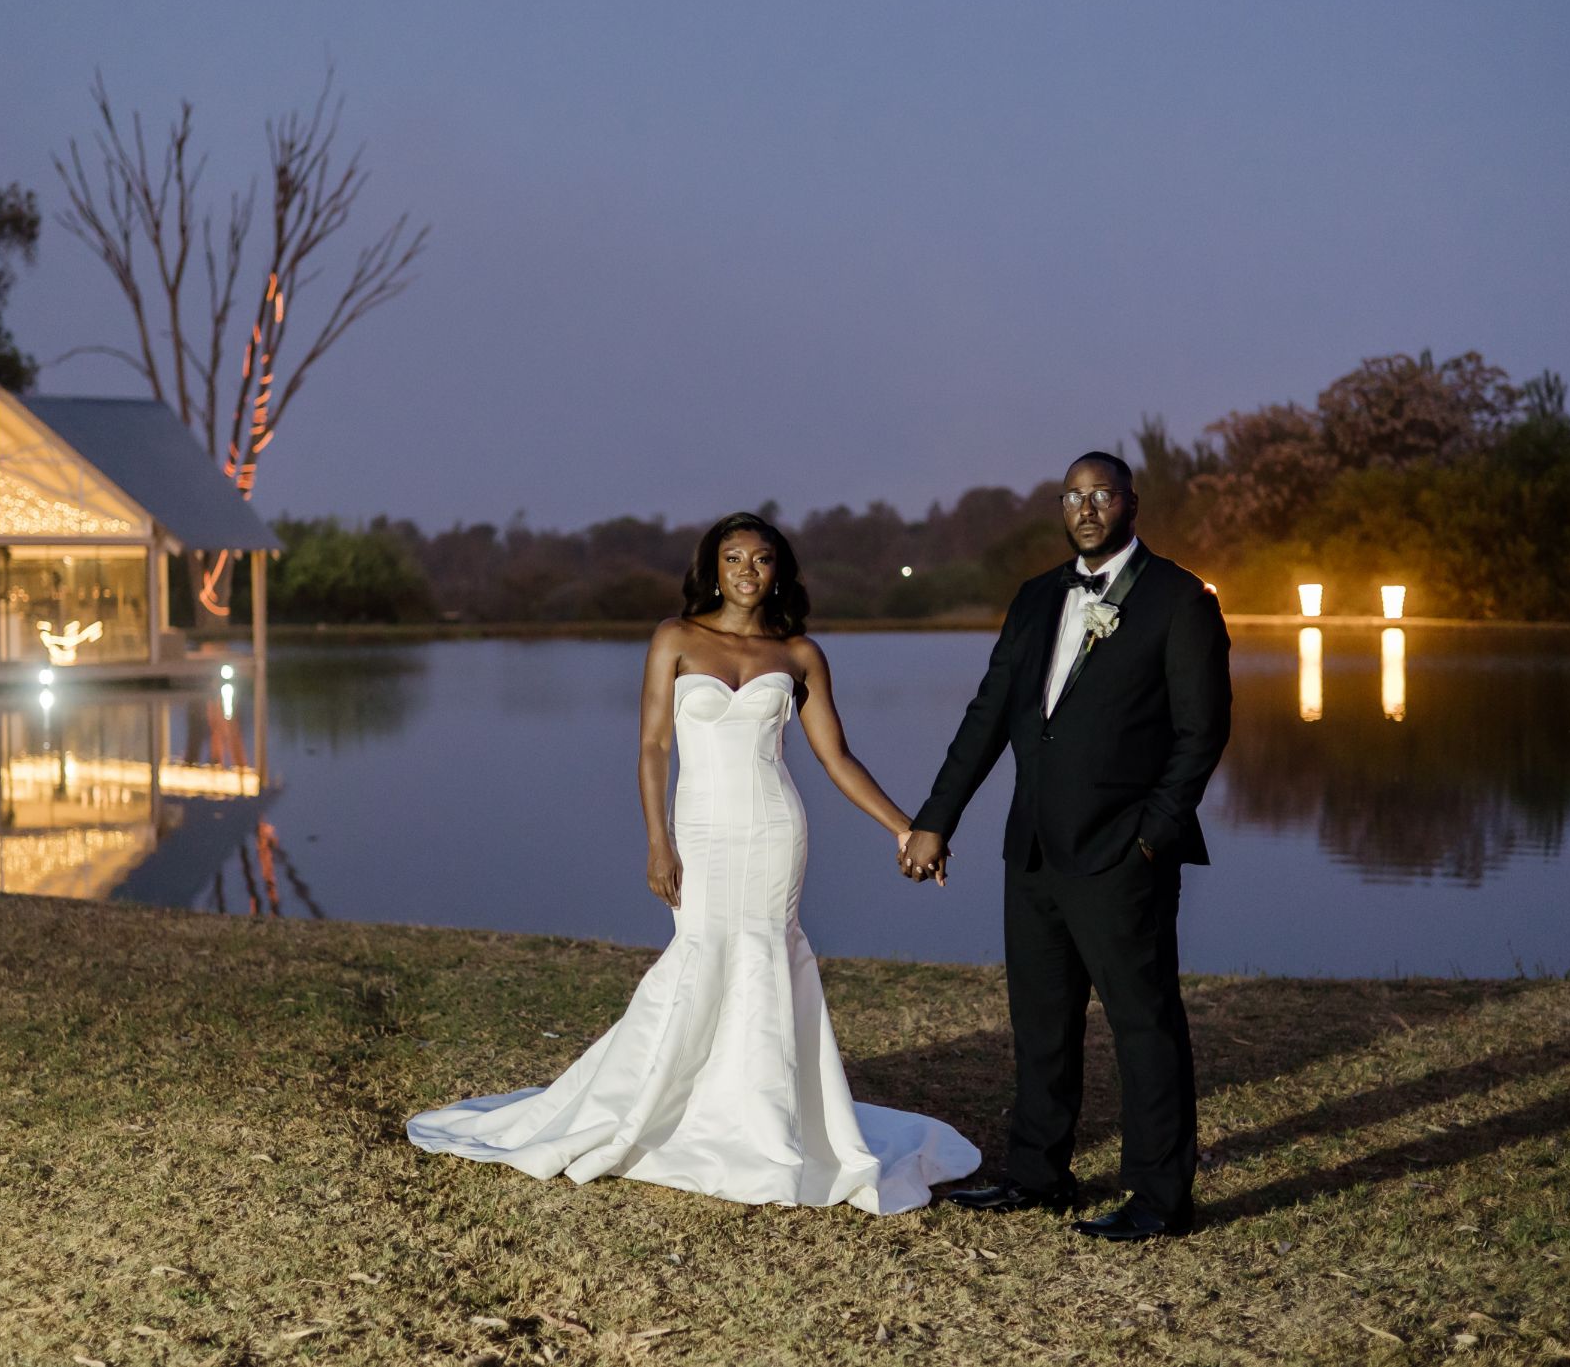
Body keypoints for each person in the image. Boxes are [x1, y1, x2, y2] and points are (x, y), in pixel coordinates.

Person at [407, 512, 980, 1213]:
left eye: (761, 558)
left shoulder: (799, 653)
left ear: (779, 571)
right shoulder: (674, 638)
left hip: (774, 828)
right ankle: (670, 1105)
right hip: (700, 829)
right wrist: (658, 841)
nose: (747, 570)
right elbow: (653, 747)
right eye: (733, 558)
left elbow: (836, 757)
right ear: (713, 568)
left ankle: (765, 1120)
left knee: (766, 953)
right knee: (701, 951)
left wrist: (906, 829)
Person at [900, 452, 1231, 1240]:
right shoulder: (1036, 596)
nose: (1086, 508)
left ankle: (1160, 1198)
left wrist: (1152, 833)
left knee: (1144, 1025)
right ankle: (1037, 1173)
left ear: (1130, 504)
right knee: (1040, 1021)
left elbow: (1203, 731)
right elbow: (988, 715)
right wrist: (936, 818)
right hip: (1033, 851)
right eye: (1073, 496)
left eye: (1101, 494)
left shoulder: (1180, 599)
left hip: (1123, 853)